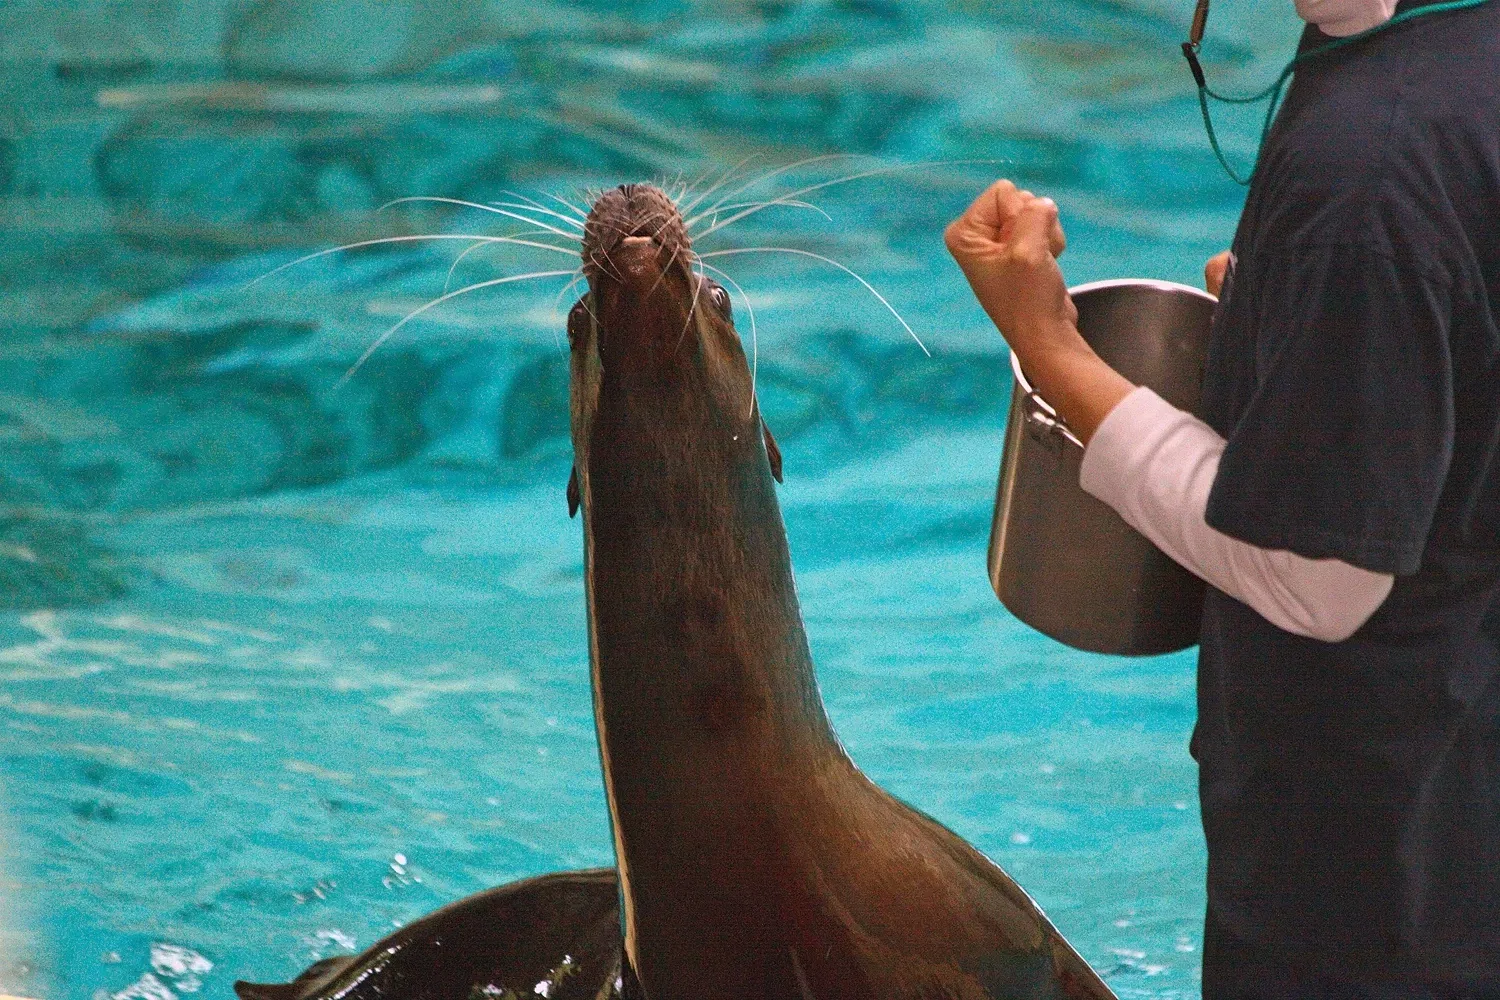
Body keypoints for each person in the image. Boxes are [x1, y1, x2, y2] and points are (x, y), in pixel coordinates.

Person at [945, 0, 1500, 996]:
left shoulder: (1367, 173)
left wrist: (1050, 350)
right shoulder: (1444, 54)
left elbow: (1320, 581)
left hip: (1365, 889)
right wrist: (1307, 325)